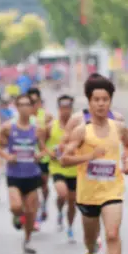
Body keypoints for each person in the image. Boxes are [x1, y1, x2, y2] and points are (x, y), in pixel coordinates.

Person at [58, 76, 128, 254]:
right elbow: (64, 160)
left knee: (112, 234)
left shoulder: (119, 127)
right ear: (89, 102)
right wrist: (89, 156)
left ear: (110, 101)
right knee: (91, 238)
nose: (101, 104)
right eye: (97, 99)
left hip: (112, 191)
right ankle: (91, 252)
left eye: (105, 99)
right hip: (88, 194)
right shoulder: (82, 131)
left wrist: (127, 161)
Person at [0, 93, 44, 254]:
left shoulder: (37, 129)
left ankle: (27, 240)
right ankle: (16, 216)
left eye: (27, 104)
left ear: (32, 107)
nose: (24, 108)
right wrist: (8, 157)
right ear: (16, 107)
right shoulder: (8, 127)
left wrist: (38, 156)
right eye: (20, 105)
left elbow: (44, 149)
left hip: (32, 174)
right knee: (16, 206)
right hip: (14, 174)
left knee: (31, 211)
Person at [46, 93, 79, 239]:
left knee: (72, 202)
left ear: (71, 109)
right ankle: (59, 210)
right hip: (57, 167)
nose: (65, 111)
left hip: (74, 169)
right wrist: (49, 152)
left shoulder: (79, 127)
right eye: (62, 108)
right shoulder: (51, 126)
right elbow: (41, 143)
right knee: (62, 193)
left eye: (68, 108)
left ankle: (70, 226)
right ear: (58, 108)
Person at [29, 87, 52, 226]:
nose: (33, 105)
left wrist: (43, 152)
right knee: (32, 187)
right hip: (27, 158)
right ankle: (35, 215)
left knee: (43, 184)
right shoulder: (22, 117)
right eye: (30, 102)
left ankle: (44, 204)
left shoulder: (47, 117)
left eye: (35, 101)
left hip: (42, 157)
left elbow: (51, 137)